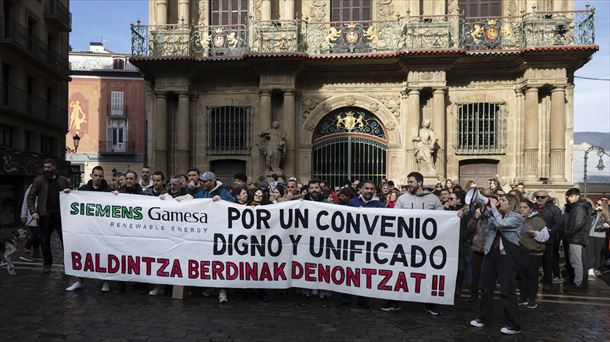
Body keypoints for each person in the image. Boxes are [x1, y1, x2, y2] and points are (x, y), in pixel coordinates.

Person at [381, 172, 442, 316]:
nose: (408, 184)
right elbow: (395, 218)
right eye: (408, 182)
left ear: (420, 182)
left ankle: (430, 304)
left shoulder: (433, 199)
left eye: (411, 182)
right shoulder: (402, 199)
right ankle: (394, 302)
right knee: (399, 272)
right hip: (405, 244)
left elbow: (442, 217)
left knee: (427, 273)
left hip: (426, 244)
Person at [469, 194, 523, 335]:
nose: (499, 202)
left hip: (506, 256)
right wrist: (483, 217)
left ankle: (513, 324)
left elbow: (501, 225)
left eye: (503, 200)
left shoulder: (516, 217)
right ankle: (483, 318)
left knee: (507, 290)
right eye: (499, 200)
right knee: (485, 288)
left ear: (511, 204)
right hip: (490, 253)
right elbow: (486, 232)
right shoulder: (496, 215)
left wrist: (493, 209)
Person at [66, 166, 112, 292]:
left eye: (100, 176)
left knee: (103, 255)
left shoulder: (108, 191)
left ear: (103, 177)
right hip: (86, 229)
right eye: (96, 175)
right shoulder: (83, 189)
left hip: (101, 230)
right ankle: (80, 281)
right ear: (91, 175)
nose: (98, 178)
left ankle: (105, 281)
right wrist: (68, 195)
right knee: (84, 254)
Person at [27, 159, 71, 273]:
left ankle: (66, 263)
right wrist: (33, 211)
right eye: (45, 167)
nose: (46, 169)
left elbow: (70, 196)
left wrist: (68, 191)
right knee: (44, 241)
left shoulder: (63, 180)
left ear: (54, 167)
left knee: (65, 241)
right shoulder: (38, 180)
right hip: (44, 215)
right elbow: (30, 197)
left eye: (49, 167)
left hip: (61, 215)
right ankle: (47, 264)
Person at [517, 199, 549, 309]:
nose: (522, 210)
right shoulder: (517, 220)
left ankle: (532, 299)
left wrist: (534, 233)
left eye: (525, 208)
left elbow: (545, 236)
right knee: (521, 276)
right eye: (520, 207)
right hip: (521, 252)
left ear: (530, 209)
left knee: (532, 276)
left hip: (534, 253)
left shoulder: (538, 220)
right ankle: (523, 297)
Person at [562, 187, 594, 288]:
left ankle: (578, 282)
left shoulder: (579, 207)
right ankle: (578, 281)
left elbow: (578, 224)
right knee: (576, 260)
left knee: (576, 261)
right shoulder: (578, 206)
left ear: (577, 196)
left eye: (571, 196)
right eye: (568, 196)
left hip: (576, 238)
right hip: (576, 237)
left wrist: (567, 233)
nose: (569, 199)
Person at [532, 190, 563, 289]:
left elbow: (559, 224)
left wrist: (548, 232)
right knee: (534, 262)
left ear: (547, 197)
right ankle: (533, 282)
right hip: (533, 239)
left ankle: (548, 282)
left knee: (547, 262)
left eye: (543, 197)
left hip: (548, 240)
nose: (540, 199)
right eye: (538, 197)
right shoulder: (532, 208)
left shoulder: (554, 209)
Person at [587, 199, 609, 277]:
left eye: (599, 204)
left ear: (604, 205)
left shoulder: (607, 213)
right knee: (590, 253)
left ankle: (597, 268)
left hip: (600, 235)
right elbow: (587, 215)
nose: (597, 205)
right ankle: (590, 268)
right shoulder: (594, 212)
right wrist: (595, 210)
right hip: (590, 235)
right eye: (596, 203)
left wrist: (606, 224)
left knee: (598, 254)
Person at [20, 183, 41, 262]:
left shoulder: (45, 188)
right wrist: (23, 215)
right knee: (34, 235)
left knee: (38, 236)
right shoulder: (31, 189)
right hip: (32, 215)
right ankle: (26, 251)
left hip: (42, 216)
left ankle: (36, 252)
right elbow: (25, 202)